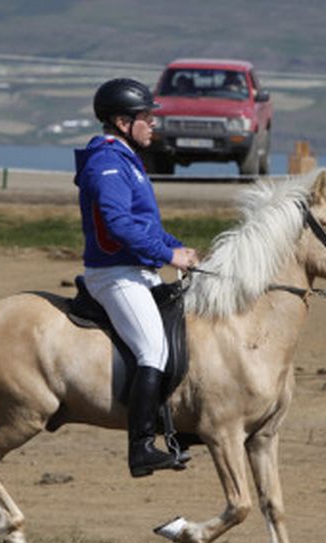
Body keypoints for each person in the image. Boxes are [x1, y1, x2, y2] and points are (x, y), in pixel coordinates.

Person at [74, 78, 200, 478]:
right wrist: (167, 254)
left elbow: (146, 225)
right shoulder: (106, 162)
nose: (153, 124)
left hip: (138, 271)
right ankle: (141, 447)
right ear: (121, 121)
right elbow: (118, 225)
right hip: (116, 275)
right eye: (146, 117)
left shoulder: (127, 159)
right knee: (153, 350)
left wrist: (179, 249)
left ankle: (175, 425)